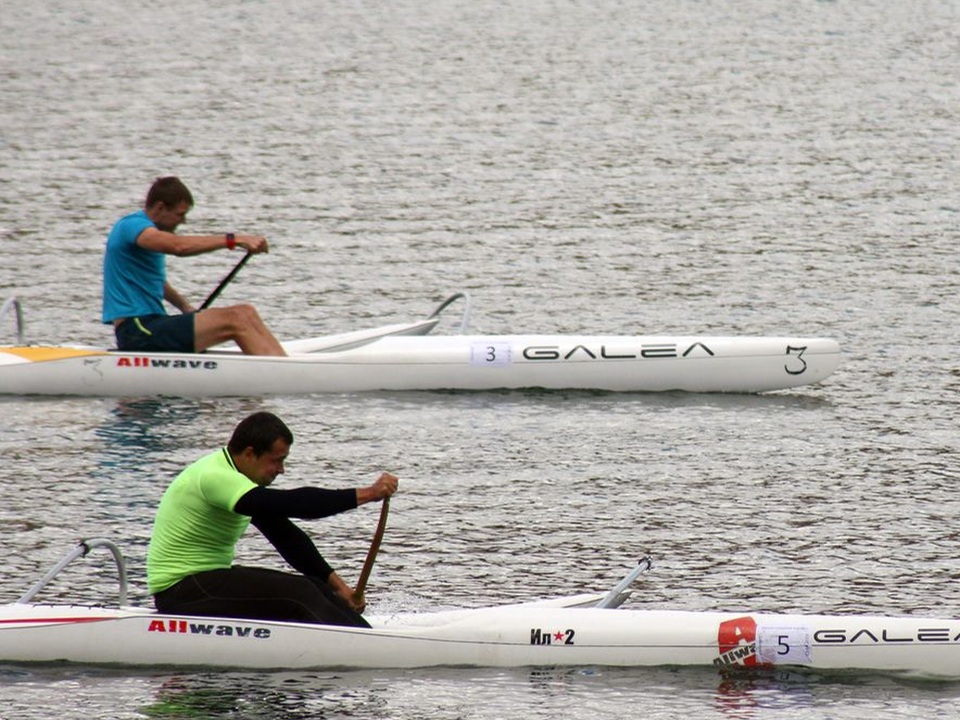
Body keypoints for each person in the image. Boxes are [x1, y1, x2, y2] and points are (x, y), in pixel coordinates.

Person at [146, 411, 398, 627]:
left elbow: (287, 538)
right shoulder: (215, 476)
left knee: (314, 586)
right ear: (249, 453)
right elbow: (296, 505)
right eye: (276, 460)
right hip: (180, 590)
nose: (281, 470)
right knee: (300, 594)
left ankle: (367, 637)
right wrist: (367, 494)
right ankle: (369, 647)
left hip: (203, 581)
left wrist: (339, 588)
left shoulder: (240, 483)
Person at [102, 176, 286, 356]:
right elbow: (179, 246)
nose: (183, 221)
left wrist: (185, 307)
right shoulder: (132, 226)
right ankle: (283, 377)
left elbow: (156, 281)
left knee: (246, 312)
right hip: (136, 330)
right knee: (235, 318)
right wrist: (233, 239)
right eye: (180, 214)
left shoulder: (146, 236)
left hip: (152, 324)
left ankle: (281, 365)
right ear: (160, 207)